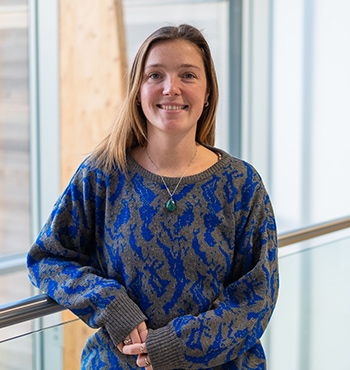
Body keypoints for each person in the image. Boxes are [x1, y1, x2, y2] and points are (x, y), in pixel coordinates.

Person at [27, 24, 279, 370]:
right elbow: (46, 258)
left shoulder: (241, 184)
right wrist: (110, 304)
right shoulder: (103, 174)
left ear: (207, 93)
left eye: (187, 75)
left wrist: (178, 345)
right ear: (138, 91)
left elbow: (256, 298)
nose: (171, 88)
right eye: (155, 75)